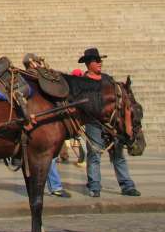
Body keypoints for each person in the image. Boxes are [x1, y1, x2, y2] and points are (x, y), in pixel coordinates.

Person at [78, 47, 140, 198]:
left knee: (118, 154)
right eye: (96, 61)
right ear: (88, 63)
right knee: (94, 154)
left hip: (113, 123)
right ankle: (94, 186)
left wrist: (127, 122)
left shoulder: (108, 79)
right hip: (94, 122)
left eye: (100, 60)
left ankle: (127, 186)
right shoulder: (83, 83)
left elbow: (123, 100)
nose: (100, 63)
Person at [22, 53, 70, 197]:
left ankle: (52, 186)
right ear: (32, 63)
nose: (40, 64)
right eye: (37, 62)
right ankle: (54, 186)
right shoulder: (31, 78)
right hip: (40, 122)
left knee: (49, 157)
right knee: (47, 156)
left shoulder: (37, 77)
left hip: (45, 122)